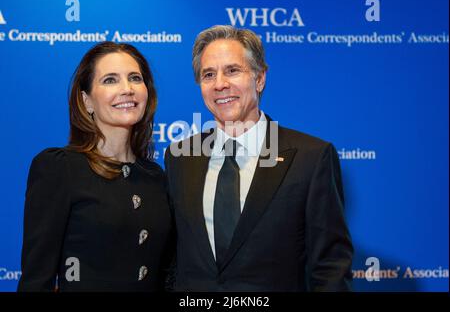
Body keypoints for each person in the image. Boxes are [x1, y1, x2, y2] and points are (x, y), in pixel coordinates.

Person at [164, 25, 353, 291]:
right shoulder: (179, 158)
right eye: (209, 74)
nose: (220, 84)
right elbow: (171, 258)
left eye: (232, 70)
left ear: (260, 78)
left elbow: (330, 267)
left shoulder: (311, 158)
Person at [18, 42, 173, 292]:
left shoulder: (157, 177)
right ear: (86, 100)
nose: (127, 89)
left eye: (135, 78)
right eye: (110, 80)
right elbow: (36, 280)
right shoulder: (59, 168)